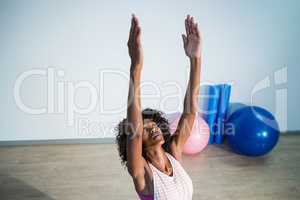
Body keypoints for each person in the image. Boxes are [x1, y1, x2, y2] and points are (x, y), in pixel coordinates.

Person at [116, 14, 201, 200]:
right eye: (145, 129)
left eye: (152, 124)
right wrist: (135, 67)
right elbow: (135, 131)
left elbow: (190, 111)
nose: (152, 127)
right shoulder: (141, 171)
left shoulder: (174, 152)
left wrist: (195, 60)